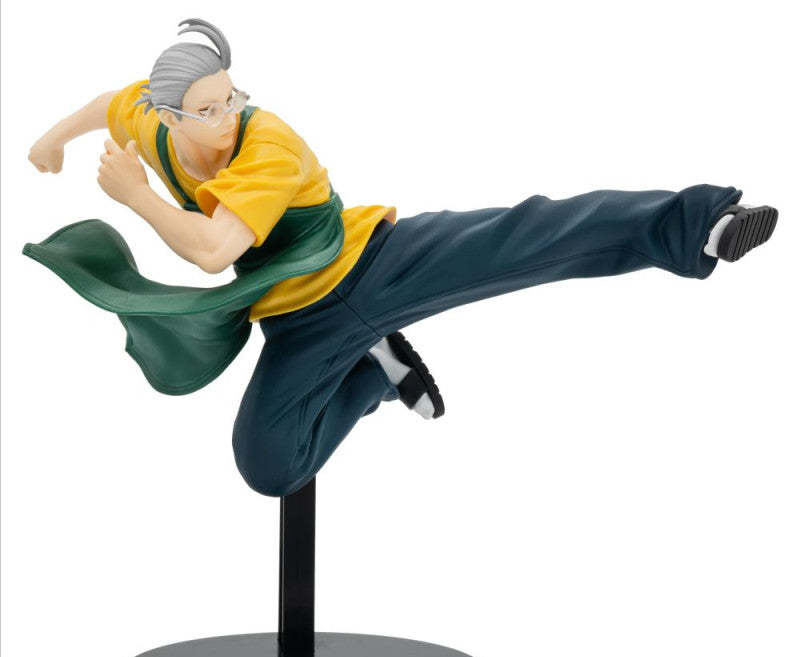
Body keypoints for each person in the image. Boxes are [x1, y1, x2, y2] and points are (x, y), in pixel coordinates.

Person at [26, 18, 778, 498]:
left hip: (370, 266)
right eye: (207, 109)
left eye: (232, 98)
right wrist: (54, 138)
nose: (227, 116)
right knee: (270, 467)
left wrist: (138, 197)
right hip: (294, 317)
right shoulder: (150, 119)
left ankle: (699, 225)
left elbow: (214, 250)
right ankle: (375, 374)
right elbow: (108, 101)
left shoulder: (267, 144)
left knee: (527, 236)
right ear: (166, 116)